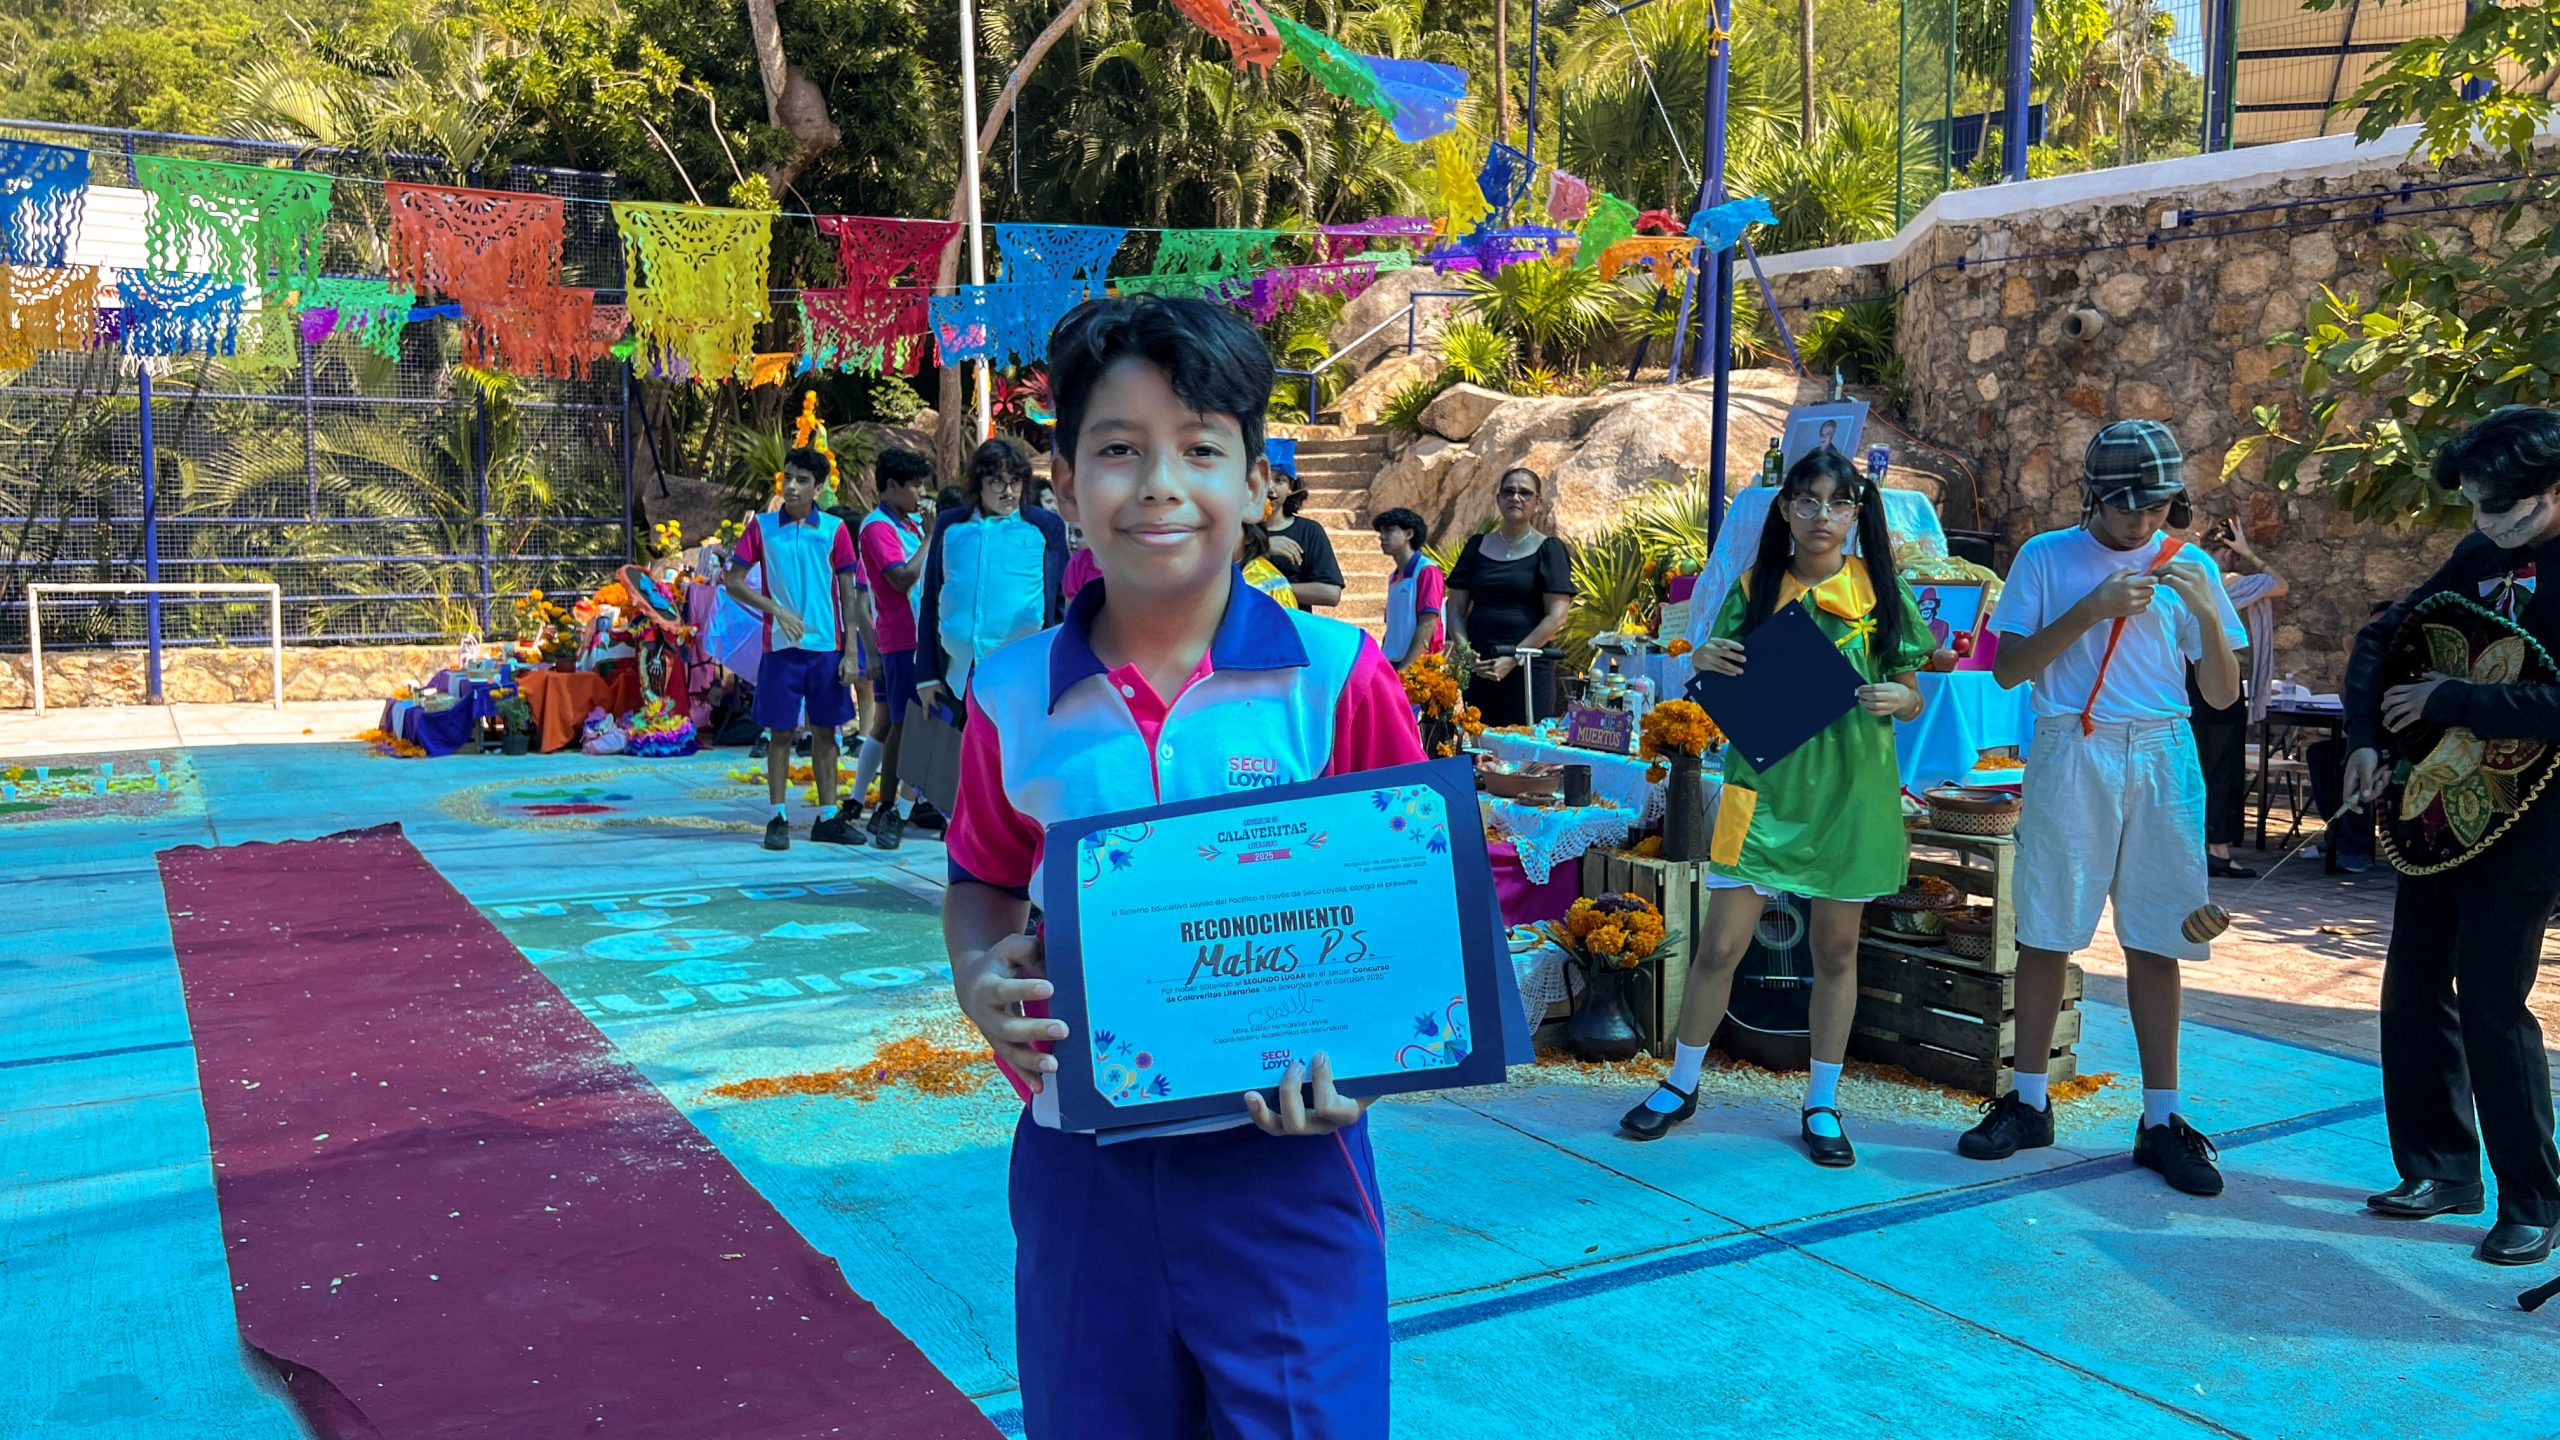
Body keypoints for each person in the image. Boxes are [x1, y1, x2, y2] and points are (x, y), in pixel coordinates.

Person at [943, 295, 1419, 1439]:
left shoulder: (1336, 677)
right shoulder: (1010, 694)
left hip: (1289, 1165)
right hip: (1081, 1163)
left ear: (1256, 485)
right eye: (1118, 449)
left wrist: (1373, 1062)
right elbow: (982, 880)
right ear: (1066, 487)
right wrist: (975, 976)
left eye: (1200, 449)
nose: (1159, 484)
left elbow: (1415, 909)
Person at [1957, 419, 2246, 1198]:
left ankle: (2162, 1119)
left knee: (2161, 934)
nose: (2143, 521)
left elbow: (2222, 695)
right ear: (2092, 497)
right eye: (2127, 507)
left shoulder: (2190, 564)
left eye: (2157, 507)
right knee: (2047, 927)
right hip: (2071, 744)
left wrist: (2208, 613)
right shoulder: (2046, 556)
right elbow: (2009, 670)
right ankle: (2028, 1101)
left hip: (2162, 747)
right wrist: (2092, 608)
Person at [1618, 450, 1932, 1165]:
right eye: (1809, 501)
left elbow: (1913, 690)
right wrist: (1703, 660)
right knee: (1719, 946)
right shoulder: (1754, 586)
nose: (1823, 516)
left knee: (1836, 950)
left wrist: (1902, 698)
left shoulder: (1882, 592)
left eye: (1839, 503)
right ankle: (1681, 1083)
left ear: (1857, 513)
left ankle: (1821, 1101)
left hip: (1852, 792)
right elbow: (1716, 666)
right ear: (1784, 508)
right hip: (1757, 790)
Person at [2339, 404, 2560, 1266]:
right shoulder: (2478, 556)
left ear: (2552, 490)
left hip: (2535, 818)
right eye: (2472, 505)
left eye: (2498, 507)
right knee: (2415, 982)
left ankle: (2533, 1199)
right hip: (2443, 810)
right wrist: (2364, 739)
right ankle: (2440, 1167)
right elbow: (2385, 635)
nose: (2482, 522)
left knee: (2493, 1002)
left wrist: (2453, 698)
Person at [721, 446, 865, 851]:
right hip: (780, 648)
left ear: (819, 488)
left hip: (827, 647)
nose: (793, 486)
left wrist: (851, 652)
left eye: (803, 480)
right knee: (780, 733)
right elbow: (733, 582)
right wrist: (776, 610)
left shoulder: (835, 529)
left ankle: (828, 816)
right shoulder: (762, 527)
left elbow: (849, 593)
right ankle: (777, 816)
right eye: (788, 478)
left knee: (826, 733)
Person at [916, 436, 1069, 709]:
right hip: (957, 677)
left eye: (1015, 481)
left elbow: (1061, 600)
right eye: (997, 481)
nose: (1008, 491)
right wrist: (927, 677)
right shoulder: (950, 525)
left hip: (1024, 676)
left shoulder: (1045, 526)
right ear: (979, 483)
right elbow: (930, 600)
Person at [2189, 518, 2289, 877]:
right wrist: (2250, 553)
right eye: (2233, 554)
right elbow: (2280, 584)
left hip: (2186, 678)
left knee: (2197, 765)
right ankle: (2218, 849)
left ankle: (2198, 847)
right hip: (2217, 678)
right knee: (2221, 767)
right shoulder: (2227, 582)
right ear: (2227, 552)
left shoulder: (2187, 582)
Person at [1447, 468, 1575, 726]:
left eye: (1525, 493)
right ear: (1498, 499)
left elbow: (1557, 616)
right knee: (1480, 742)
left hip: (1528, 668)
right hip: (1480, 666)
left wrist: (1514, 657)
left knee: (1524, 744)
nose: (1516, 498)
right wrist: (1465, 651)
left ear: (1538, 502)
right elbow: (1454, 608)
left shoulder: (1549, 549)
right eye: (1509, 492)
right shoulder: (1476, 545)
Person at [856, 448, 933, 849]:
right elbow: (901, 579)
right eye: (915, 486)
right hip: (901, 636)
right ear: (891, 485)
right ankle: (886, 805)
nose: (921, 493)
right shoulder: (877, 527)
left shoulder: (908, 523)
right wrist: (931, 537)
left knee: (898, 722)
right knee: (902, 724)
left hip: (917, 634)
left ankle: (899, 800)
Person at [1260, 467, 1345, 609]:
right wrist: (1260, 548)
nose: (1270, 488)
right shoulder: (1235, 529)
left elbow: (1330, 593)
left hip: (1291, 621)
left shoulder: (1310, 531)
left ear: (1290, 487)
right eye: (1263, 478)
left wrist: (1270, 589)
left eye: (1279, 480)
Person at [1373, 507, 1444, 670]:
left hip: (1418, 668)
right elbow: (1392, 628)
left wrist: (1405, 669)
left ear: (1409, 534)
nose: (1382, 537)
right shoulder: (1394, 577)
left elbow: (1428, 623)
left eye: (1389, 531)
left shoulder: (1427, 571)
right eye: (1381, 532)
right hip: (1393, 664)